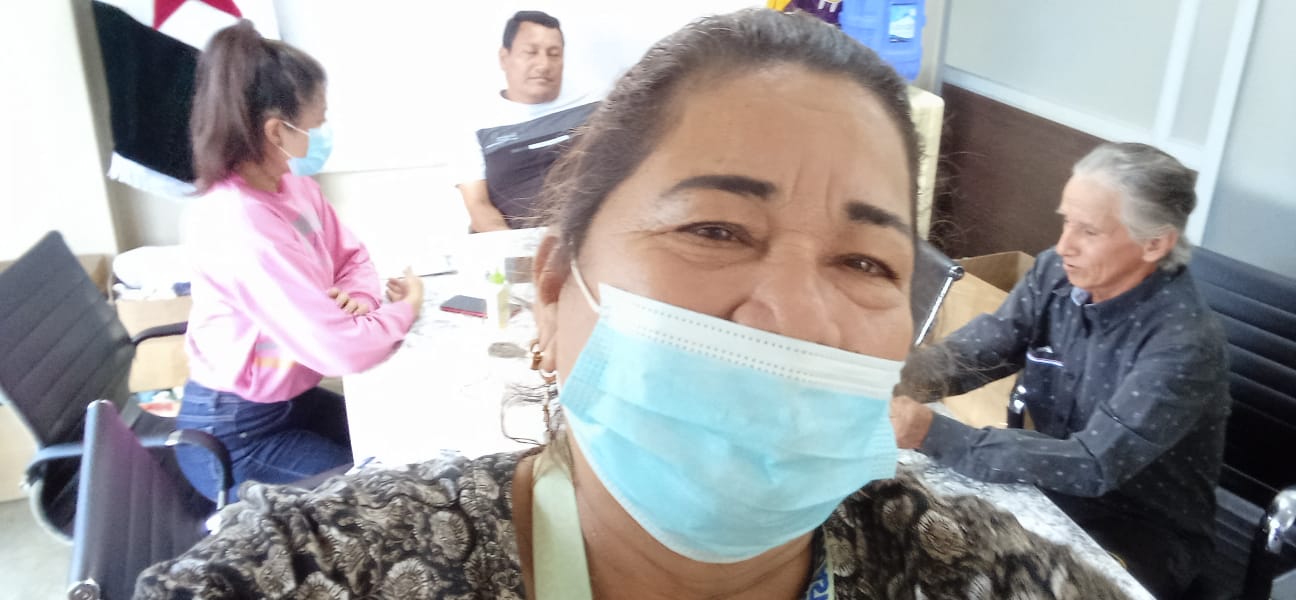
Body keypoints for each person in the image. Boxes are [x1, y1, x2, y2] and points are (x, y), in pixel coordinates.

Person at [138, 10, 1129, 599]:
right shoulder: (320, 571)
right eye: (717, 229)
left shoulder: (992, 579)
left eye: (867, 262)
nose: (796, 313)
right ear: (555, 291)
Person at [891, 142, 1230, 598]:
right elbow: (985, 347)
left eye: (1088, 230)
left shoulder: (1182, 343)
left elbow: (1093, 462)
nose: (1064, 245)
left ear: (1155, 244)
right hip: (1049, 492)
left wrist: (932, 432)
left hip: (1140, 529)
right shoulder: (1056, 271)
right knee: (914, 537)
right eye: (1066, 221)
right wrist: (885, 376)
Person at [176, 21, 425, 503]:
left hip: (292, 399)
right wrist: (405, 307)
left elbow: (352, 256)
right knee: (385, 497)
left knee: (405, 446)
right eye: (314, 125)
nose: (319, 136)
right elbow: (342, 350)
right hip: (237, 435)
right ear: (276, 131)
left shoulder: (295, 189)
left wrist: (356, 298)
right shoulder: (240, 223)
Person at [454, 10, 600, 232]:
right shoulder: (476, 126)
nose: (543, 64)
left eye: (554, 54)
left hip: (593, 235)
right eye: (530, 52)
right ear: (504, 58)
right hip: (518, 242)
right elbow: (479, 207)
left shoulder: (595, 106)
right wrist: (518, 250)